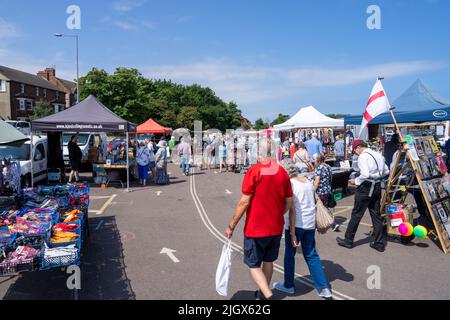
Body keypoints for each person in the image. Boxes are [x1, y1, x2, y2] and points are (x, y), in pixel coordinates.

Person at [225, 139, 293, 300]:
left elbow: (244, 201)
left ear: (259, 153)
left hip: (256, 228)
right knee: (268, 261)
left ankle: (269, 295)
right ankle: (262, 294)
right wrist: (278, 213)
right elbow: (289, 200)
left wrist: (231, 225)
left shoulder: (254, 171)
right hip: (276, 226)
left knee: (253, 264)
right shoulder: (282, 172)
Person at [273, 159, 333, 299]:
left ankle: (288, 285)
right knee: (311, 255)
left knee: (289, 255)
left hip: (295, 224)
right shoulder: (307, 181)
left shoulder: (290, 184)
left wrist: (292, 232)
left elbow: (292, 210)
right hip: (309, 223)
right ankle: (323, 288)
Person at [337, 140, 390, 252]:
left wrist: (355, 181)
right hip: (376, 186)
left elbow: (365, 174)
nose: (356, 153)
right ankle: (379, 243)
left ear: (359, 147)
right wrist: (376, 176)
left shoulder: (363, 157)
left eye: (355, 150)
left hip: (366, 186)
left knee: (356, 214)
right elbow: (386, 171)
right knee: (376, 215)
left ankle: (348, 240)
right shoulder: (378, 154)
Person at [314, 153, 340, 232]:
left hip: (321, 191)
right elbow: (330, 179)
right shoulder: (328, 167)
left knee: (322, 208)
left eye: (314, 159)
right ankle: (327, 223)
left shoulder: (319, 168)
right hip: (327, 190)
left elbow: (317, 182)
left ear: (318, 160)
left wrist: (313, 191)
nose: (313, 161)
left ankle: (332, 223)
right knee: (324, 207)